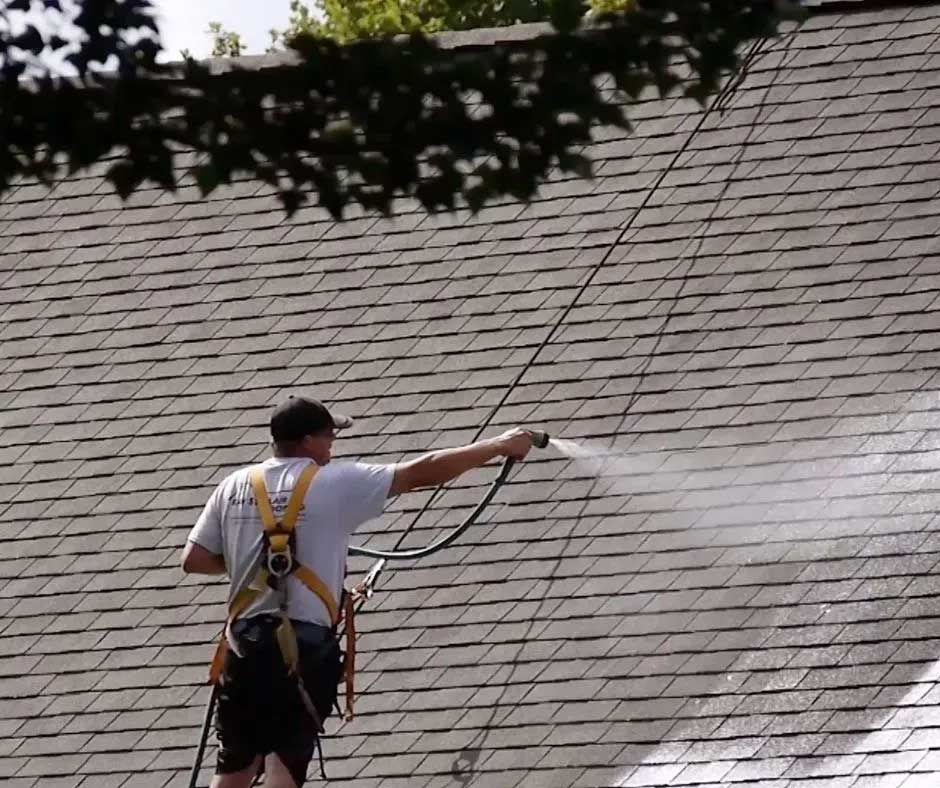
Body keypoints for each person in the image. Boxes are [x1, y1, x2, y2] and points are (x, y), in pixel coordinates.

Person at [181, 395, 534, 788]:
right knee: (285, 762)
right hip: (301, 649)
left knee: (234, 767)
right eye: (329, 437)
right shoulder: (334, 481)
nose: (332, 446)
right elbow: (424, 472)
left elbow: (194, 558)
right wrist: (500, 445)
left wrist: (260, 564)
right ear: (308, 441)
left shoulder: (234, 485)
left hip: (243, 648)